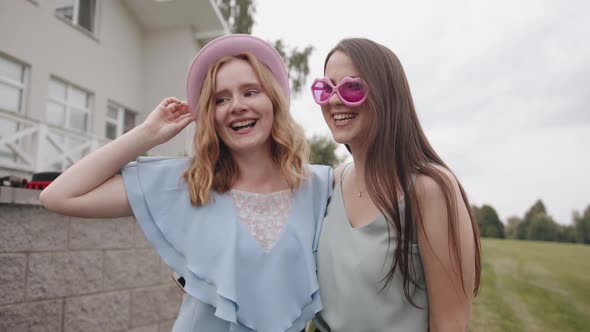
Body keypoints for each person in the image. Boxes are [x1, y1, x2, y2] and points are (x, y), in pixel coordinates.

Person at [40, 34, 332, 332]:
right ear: (210, 114)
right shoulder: (188, 184)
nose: (236, 106)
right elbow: (59, 196)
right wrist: (147, 134)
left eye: (251, 92)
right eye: (221, 99)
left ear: (274, 100)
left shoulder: (321, 187)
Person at [310, 38, 482, 331]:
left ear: (387, 94)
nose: (335, 100)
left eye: (353, 87)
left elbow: (449, 325)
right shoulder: (331, 182)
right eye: (325, 89)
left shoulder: (430, 191)